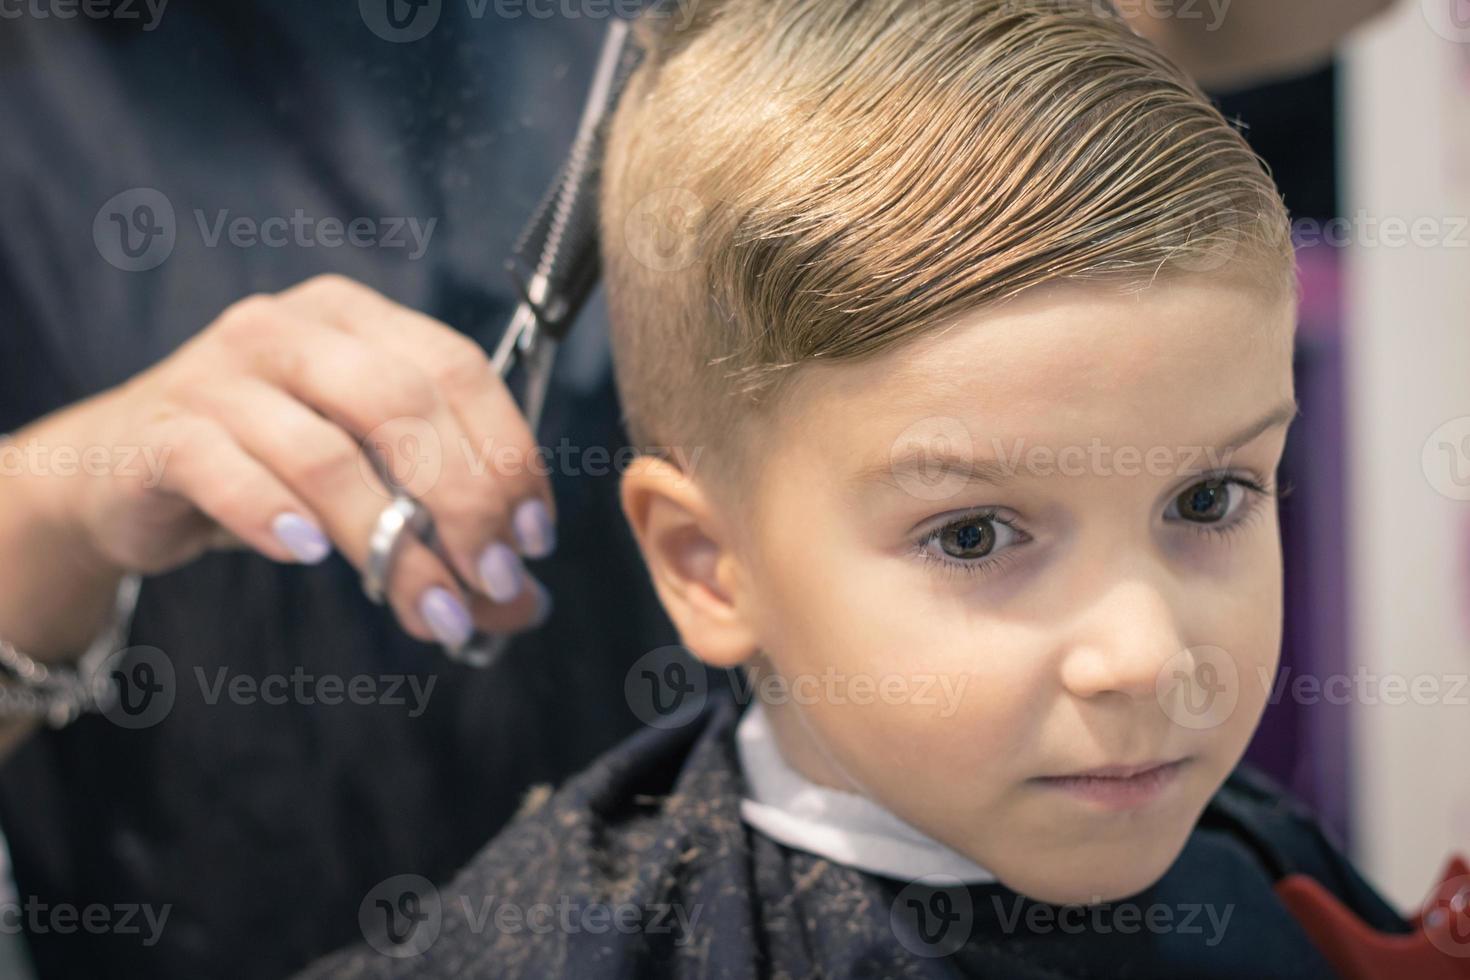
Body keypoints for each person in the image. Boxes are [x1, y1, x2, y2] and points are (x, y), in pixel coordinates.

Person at [295, 0, 1410, 975]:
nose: (1147, 654)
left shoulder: (1276, 881)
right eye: (974, 534)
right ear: (707, 564)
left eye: (1209, 498)